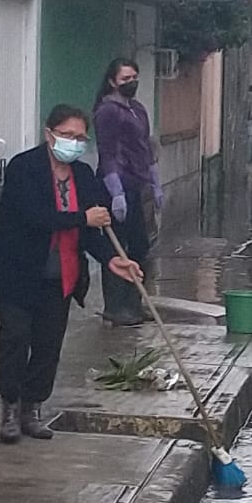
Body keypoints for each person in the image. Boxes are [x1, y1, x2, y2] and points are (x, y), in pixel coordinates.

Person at [0, 104, 143, 444]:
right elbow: (34, 217)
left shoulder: (83, 176)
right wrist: (83, 218)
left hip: (61, 276)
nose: (74, 142)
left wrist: (112, 259)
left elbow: (90, 231)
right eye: (67, 135)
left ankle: (32, 408)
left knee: (48, 344)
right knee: (15, 339)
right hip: (16, 272)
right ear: (49, 134)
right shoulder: (23, 168)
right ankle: (9, 407)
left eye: (80, 137)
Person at [93, 58, 163, 327]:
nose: (131, 82)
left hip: (138, 184)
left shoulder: (137, 109)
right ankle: (115, 306)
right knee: (117, 247)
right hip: (116, 186)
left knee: (140, 246)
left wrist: (155, 182)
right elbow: (107, 152)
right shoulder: (107, 111)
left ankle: (134, 302)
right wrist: (115, 191)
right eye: (125, 79)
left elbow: (145, 148)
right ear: (113, 81)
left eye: (134, 76)